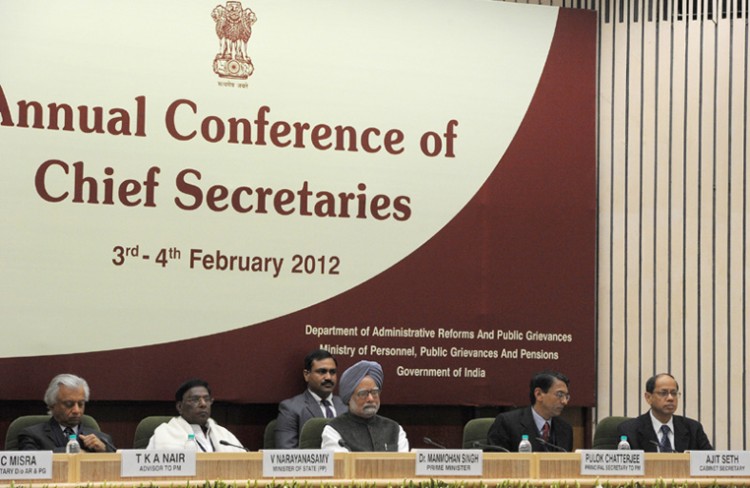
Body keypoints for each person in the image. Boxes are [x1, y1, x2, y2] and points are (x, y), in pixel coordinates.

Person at [321, 360, 408, 452]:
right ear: (349, 398)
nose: (370, 399)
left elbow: (405, 464)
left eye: (374, 392)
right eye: (363, 393)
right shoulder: (333, 431)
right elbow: (341, 465)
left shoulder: (395, 430)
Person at [18, 373, 116, 452]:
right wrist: (72, 452)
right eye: (69, 404)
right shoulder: (32, 436)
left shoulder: (102, 439)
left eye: (81, 404)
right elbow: (31, 465)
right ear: (52, 404)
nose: (76, 410)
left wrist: (105, 451)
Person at [617, 373, 713, 452]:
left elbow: (710, 464)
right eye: (663, 393)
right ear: (648, 397)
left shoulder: (693, 429)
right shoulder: (629, 430)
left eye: (674, 393)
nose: (670, 398)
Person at [147, 378, 246, 452]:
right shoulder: (165, 433)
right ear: (180, 407)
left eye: (207, 399)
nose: (203, 404)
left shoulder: (224, 435)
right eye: (195, 400)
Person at [275, 349, 347, 448]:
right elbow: (286, 453)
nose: (328, 377)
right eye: (322, 372)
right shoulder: (291, 408)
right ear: (306, 375)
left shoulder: (346, 407)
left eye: (332, 372)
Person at [487, 370, 573, 452]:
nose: (564, 401)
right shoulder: (507, 423)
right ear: (538, 394)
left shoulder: (565, 429)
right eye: (560, 395)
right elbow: (495, 462)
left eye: (566, 396)